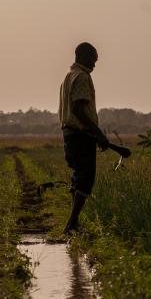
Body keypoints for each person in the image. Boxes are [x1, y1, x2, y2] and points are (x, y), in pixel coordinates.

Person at [58, 42, 109, 235]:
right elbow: (77, 108)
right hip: (80, 136)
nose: (95, 65)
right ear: (86, 56)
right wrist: (98, 132)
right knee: (85, 180)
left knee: (77, 179)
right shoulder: (81, 76)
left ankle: (74, 223)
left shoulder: (68, 76)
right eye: (94, 60)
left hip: (71, 136)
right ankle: (71, 224)